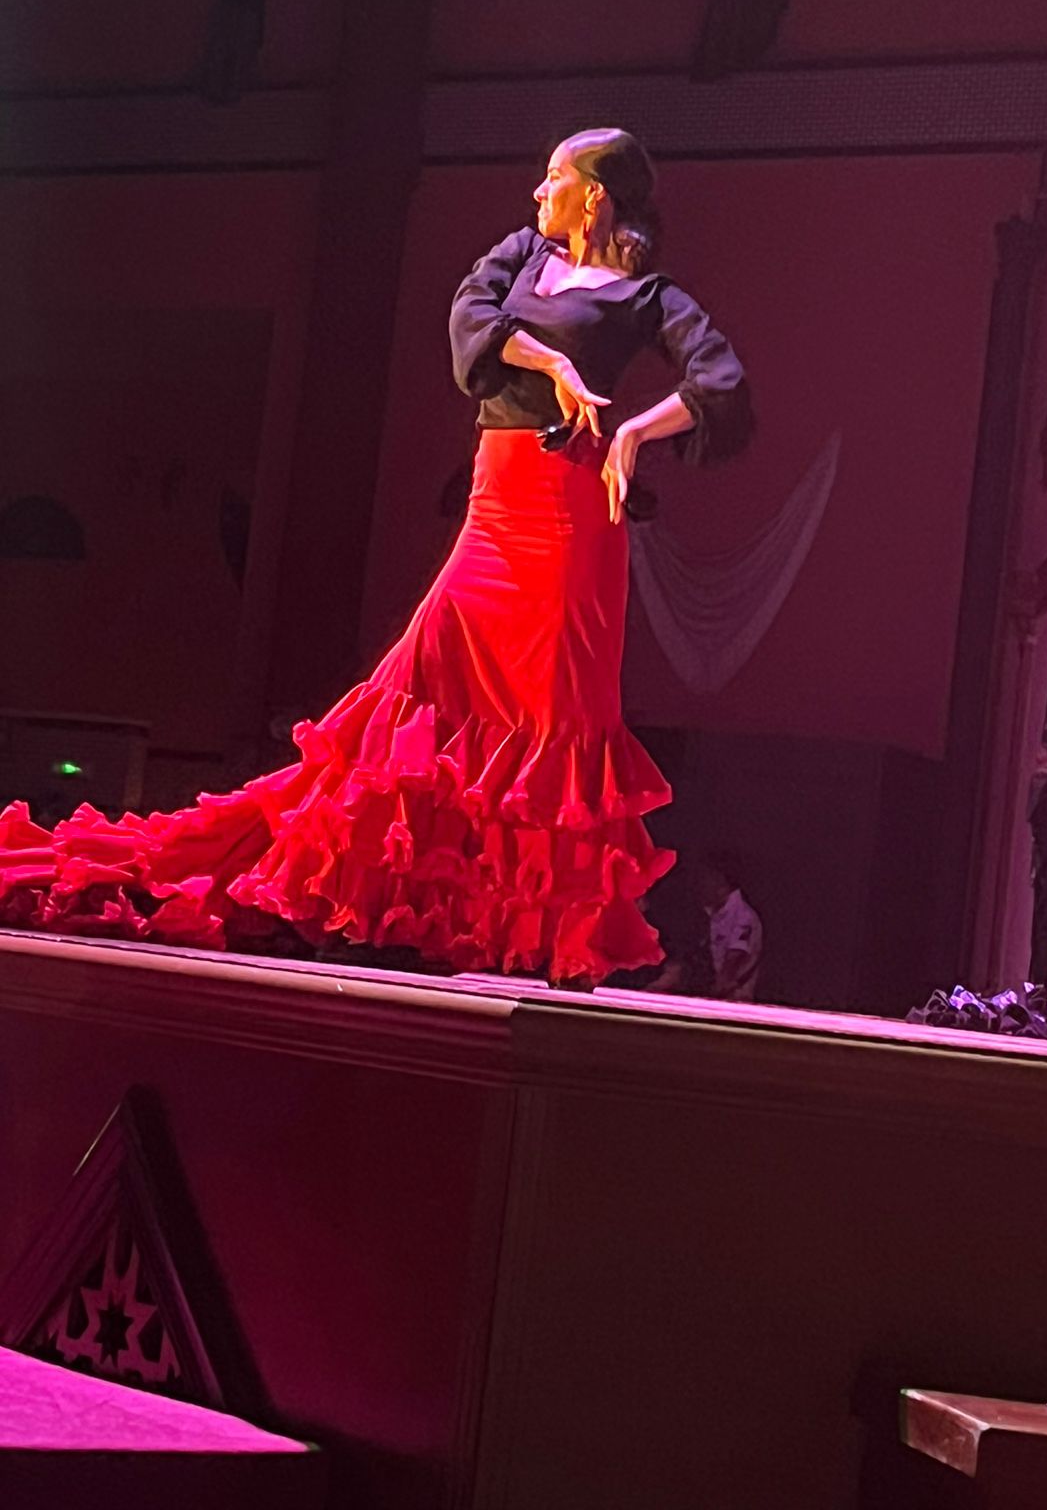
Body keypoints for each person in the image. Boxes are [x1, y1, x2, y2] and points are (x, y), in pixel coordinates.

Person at [0, 128, 751, 985]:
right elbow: (473, 322)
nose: (538, 192)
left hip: (574, 519)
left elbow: (721, 384)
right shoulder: (522, 255)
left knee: (551, 718)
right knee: (422, 691)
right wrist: (551, 363)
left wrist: (633, 433)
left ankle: (518, 933)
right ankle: (383, 906)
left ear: (596, 197)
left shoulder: (648, 296)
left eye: (554, 179)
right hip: (498, 506)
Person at [698, 851, 762, 1002]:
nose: (700, 884)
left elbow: (735, 955)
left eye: (706, 877)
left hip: (736, 999)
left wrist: (720, 985)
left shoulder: (743, 916)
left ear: (721, 881)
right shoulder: (713, 913)